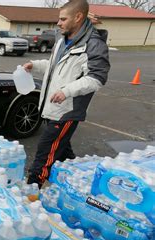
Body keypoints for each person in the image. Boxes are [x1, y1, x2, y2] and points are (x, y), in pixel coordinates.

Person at [25, 0, 110, 188]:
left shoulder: (93, 45)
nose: (58, 23)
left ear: (78, 17)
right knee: (62, 152)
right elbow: (55, 67)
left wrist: (66, 91)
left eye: (63, 19)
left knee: (44, 153)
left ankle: (30, 192)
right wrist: (35, 66)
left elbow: (97, 78)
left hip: (66, 111)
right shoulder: (63, 40)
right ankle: (76, 183)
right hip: (51, 107)